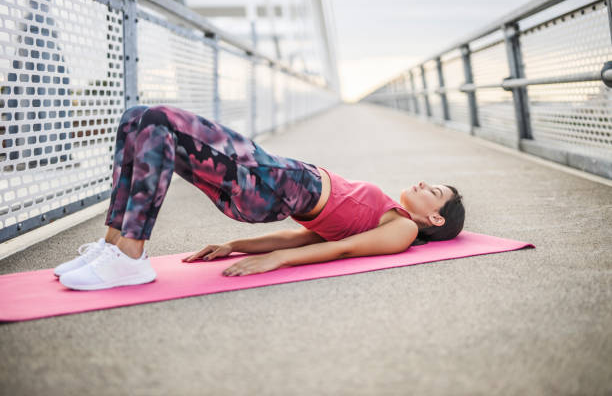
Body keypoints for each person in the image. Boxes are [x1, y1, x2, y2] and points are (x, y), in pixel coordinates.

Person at [54, 105, 465, 290]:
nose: (425, 184)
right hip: (269, 178)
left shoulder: (404, 229)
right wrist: (235, 246)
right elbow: (307, 238)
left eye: (435, 192)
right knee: (138, 120)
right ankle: (112, 245)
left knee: (158, 122)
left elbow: (342, 250)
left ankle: (130, 254)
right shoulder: (388, 215)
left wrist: (276, 261)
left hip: (272, 182)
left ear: (436, 220)